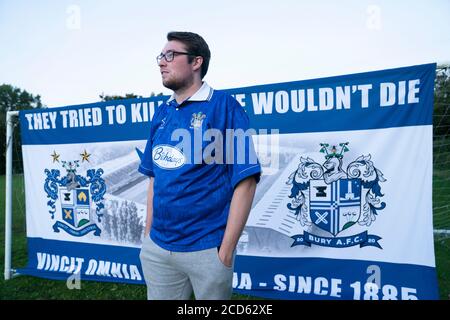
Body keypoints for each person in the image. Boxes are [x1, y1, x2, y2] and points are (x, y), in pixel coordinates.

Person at [138, 31, 261, 300]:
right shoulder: (162, 112)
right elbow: (153, 178)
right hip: (158, 249)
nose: (161, 62)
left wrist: (225, 251)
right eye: (161, 56)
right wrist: (149, 236)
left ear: (196, 62)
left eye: (170, 55)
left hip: (207, 249)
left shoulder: (225, 107)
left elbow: (246, 181)